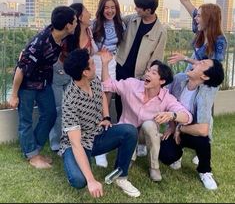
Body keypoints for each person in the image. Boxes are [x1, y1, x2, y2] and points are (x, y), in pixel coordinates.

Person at [58, 48, 140, 198]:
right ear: (85, 72)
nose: (95, 65)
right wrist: (91, 180)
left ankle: (120, 176)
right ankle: (71, 161)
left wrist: (107, 117)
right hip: (77, 144)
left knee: (130, 131)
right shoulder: (70, 100)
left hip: (97, 134)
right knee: (79, 180)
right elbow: (76, 144)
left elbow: (101, 94)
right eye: (91, 64)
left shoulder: (92, 79)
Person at [101, 50, 192, 182]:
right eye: (148, 71)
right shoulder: (131, 84)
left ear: (162, 81)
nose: (147, 74)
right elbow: (108, 85)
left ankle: (154, 167)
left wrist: (172, 115)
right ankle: (129, 158)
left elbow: (187, 116)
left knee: (149, 124)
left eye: (153, 73)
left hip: (146, 134)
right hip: (127, 132)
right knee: (128, 131)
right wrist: (105, 64)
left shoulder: (166, 98)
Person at [8, 6, 77, 169]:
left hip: (43, 82)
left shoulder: (61, 36)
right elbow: (20, 68)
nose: (76, 24)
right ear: (67, 25)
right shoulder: (39, 43)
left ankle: (35, 150)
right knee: (25, 120)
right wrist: (14, 95)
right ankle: (32, 156)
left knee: (50, 114)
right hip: (27, 85)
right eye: (74, 22)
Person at [159, 59, 225, 190]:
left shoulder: (205, 93)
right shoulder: (179, 79)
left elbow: (203, 129)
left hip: (193, 130)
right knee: (166, 157)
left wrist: (180, 128)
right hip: (176, 125)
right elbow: (168, 102)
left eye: (202, 64)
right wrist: (172, 127)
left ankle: (205, 171)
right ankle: (178, 153)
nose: (196, 63)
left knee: (202, 140)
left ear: (204, 76)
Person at [161, 0, 227, 69]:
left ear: (209, 19)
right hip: (192, 73)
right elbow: (185, 0)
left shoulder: (220, 40)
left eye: (199, 15)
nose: (195, 17)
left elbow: (214, 69)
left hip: (205, 82)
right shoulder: (201, 30)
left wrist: (186, 58)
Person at [49, 3, 97, 152]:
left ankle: (73, 140)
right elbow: (50, 37)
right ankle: (57, 143)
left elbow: (106, 18)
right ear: (80, 17)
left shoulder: (89, 31)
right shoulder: (67, 33)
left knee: (73, 109)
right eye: (87, 11)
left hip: (75, 77)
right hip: (59, 73)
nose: (90, 14)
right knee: (59, 109)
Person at [115, 0, 167, 123]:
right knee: (120, 99)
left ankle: (135, 133)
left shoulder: (160, 31)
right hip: (121, 67)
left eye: (138, 7)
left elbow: (157, 58)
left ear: (148, 10)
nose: (135, 9)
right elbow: (116, 18)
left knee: (135, 105)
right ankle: (121, 130)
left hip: (139, 74)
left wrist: (147, 75)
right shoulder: (133, 19)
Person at [92, 0, 125, 167]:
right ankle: (96, 147)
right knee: (96, 105)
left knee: (106, 102)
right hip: (95, 64)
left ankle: (102, 147)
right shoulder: (94, 24)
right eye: (106, 7)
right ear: (101, 8)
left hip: (111, 65)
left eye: (113, 7)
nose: (110, 10)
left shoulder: (122, 25)